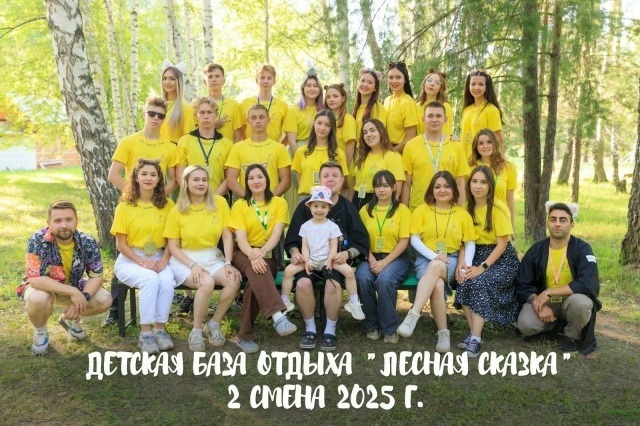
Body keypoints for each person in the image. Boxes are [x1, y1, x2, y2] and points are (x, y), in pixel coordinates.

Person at [104, 96, 179, 326]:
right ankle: (115, 310)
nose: (156, 118)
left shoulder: (170, 147)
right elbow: (113, 174)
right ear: (144, 113)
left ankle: (158, 321)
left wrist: (156, 197)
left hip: (158, 207)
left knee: (160, 269)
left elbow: (174, 179)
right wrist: (135, 194)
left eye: (160, 115)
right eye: (151, 113)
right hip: (132, 206)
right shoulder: (128, 141)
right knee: (128, 249)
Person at [285, 161, 369, 351]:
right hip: (309, 261)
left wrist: (347, 253)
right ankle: (310, 329)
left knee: (333, 285)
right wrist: (295, 252)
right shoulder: (305, 207)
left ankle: (330, 330)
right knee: (302, 283)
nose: (330, 179)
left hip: (333, 262)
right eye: (326, 176)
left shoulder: (348, 208)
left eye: (335, 176)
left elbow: (361, 240)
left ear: (342, 180)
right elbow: (291, 240)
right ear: (319, 179)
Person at [164, 165, 242, 352]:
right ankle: (196, 331)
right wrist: (193, 265)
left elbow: (227, 236)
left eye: (204, 180)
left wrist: (228, 263)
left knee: (233, 281)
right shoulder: (177, 210)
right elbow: (173, 247)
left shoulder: (219, 202)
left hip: (212, 256)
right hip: (185, 259)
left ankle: (213, 324)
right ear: (186, 183)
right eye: (196, 180)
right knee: (206, 283)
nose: (201, 183)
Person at [18, 200, 112, 355]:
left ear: (76, 220)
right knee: (39, 299)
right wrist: (73, 292)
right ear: (49, 223)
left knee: (105, 300)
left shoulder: (87, 241)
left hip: (73, 286)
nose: (64, 225)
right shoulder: (37, 240)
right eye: (57, 221)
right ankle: (41, 332)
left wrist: (83, 297)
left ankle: (69, 318)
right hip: (43, 289)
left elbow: (96, 276)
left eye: (69, 219)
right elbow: (34, 279)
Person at [397, 171, 475, 352]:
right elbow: (414, 239)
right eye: (437, 186)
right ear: (431, 190)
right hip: (425, 259)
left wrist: (466, 265)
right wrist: (434, 256)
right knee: (437, 284)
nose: (442, 190)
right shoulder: (421, 210)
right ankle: (443, 333)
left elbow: (469, 242)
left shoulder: (462, 214)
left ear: (454, 190)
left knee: (437, 266)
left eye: (447, 186)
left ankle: (413, 315)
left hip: (452, 259)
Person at [514, 202, 601, 355]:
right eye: (553, 219)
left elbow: (587, 282)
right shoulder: (536, 250)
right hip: (544, 301)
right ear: (547, 223)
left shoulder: (582, 248)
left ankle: (571, 336)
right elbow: (522, 283)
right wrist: (539, 304)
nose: (557, 224)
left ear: (571, 224)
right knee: (525, 325)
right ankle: (554, 326)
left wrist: (549, 292)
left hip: (571, 300)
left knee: (581, 304)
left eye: (563, 220)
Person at [228, 164, 297, 353]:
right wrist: (253, 255)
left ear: (267, 179)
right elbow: (241, 238)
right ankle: (278, 316)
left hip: (268, 254)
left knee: (256, 280)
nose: (256, 181)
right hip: (242, 252)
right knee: (258, 269)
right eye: (251, 178)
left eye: (260, 177)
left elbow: (277, 233)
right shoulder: (240, 205)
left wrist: (263, 251)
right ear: (246, 182)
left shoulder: (279, 203)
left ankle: (244, 337)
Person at [111, 159, 176, 354]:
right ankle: (145, 334)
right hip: (131, 258)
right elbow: (121, 244)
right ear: (136, 178)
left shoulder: (168, 205)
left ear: (159, 179)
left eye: (153, 174)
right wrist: (142, 262)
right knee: (150, 279)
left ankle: (160, 330)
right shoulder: (125, 206)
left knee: (167, 281)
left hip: (160, 256)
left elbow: (173, 239)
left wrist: (164, 260)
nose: (148, 178)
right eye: (144, 174)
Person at [454, 166, 519, 357]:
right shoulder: (465, 208)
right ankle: (474, 333)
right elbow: (463, 241)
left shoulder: (498, 208)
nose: (478, 186)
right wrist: (462, 263)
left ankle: (475, 339)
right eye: (474, 181)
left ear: (490, 185)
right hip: (474, 253)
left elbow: (502, 244)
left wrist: (482, 267)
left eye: (483, 182)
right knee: (463, 280)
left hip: (500, 258)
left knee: (479, 282)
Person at [281, 185, 364, 321]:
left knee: (349, 272)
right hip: (311, 260)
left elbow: (333, 246)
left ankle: (354, 302)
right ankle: (284, 301)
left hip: (327, 260)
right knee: (288, 271)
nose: (319, 210)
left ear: (329, 208)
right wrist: (306, 262)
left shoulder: (332, 227)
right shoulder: (305, 226)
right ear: (310, 207)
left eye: (323, 207)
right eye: (316, 206)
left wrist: (330, 262)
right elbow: (304, 246)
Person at [356, 170, 412, 344]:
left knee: (385, 280)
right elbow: (360, 239)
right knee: (363, 277)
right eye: (378, 186)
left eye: (386, 186)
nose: (381, 190)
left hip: (397, 258)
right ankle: (371, 325)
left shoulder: (402, 210)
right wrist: (372, 259)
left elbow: (404, 241)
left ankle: (389, 328)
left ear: (394, 187)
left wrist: (384, 262)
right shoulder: (365, 210)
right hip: (370, 256)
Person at [402, 101, 469, 212]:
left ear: (445, 120)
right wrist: (404, 212)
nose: (434, 120)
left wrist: (460, 212)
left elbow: (460, 183)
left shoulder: (456, 145)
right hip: (418, 210)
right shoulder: (411, 146)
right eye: (430, 116)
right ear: (423, 119)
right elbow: (407, 184)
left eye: (438, 116)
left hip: (448, 210)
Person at [225, 104, 291, 198]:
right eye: (253, 118)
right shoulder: (237, 147)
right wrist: (247, 199)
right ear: (248, 121)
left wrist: (270, 199)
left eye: (261, 117)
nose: (258, 121)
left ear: (268, 120)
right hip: (246, 203)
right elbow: (231, 180)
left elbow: (286, 181)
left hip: (271, 202)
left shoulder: (279, 148)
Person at [291, 109, 349, 203]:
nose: (322, 128)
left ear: (332, 128)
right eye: (319, 123)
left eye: (327, 125)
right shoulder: (301, 151)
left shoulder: (339, 154)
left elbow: (341, 182)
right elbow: (300, 180)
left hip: (330, 199)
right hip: (306, 199)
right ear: (314, 124)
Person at [469, 129, 517, 233]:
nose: (485, 146)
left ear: (495, 143)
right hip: (476, 221)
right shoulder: (469, 168)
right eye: (481, 143)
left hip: (501, 220)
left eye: (489, 142)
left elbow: (510, 200)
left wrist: (511, 227)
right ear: (476, 146)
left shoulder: (508, 167)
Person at [352, 118, 405, 210]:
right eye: (365, 132)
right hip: (357, 199)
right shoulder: (362, 156)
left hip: (378, 201)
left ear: (381, 132)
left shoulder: (393, 156)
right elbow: (354, 183)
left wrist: (390, 209)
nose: (368, 134)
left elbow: (397, 188)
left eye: (372, 130)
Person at [460, 69, 504, 160]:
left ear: (486, 87)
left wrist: (498, 162)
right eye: (473, 84)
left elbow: (499, 140)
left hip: (483, 162)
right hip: (465, 161)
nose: (476, 88)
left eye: (480, 84)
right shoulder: (466, 110)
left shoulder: (491, 110)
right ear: (468, 86)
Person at [239, 63, 289, 141]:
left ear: (274, 81)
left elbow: (288, 133)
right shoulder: (245, 103)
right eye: (262, 78)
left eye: (269, 78)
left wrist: (280, 146)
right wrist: (247, 144)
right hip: (250, 147)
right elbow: (241, 129)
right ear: (257, 80)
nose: (265, 81)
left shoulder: (283, 106)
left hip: (273, 148)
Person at [383, 61, 418, 152]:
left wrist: (392, 152)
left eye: (398, 77)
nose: (394, 81)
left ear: (405, 80)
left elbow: (411, 137)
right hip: (385, 150)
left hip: (401, 152)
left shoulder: (408, 102)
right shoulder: (387, 100)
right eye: (391, 77)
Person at [203, 63, 243, 142]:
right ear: (204, 82)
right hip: (203, 148)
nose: (214, 79)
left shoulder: (234, 105)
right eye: (210, 76)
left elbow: (237, 133)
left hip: (228, 149)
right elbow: (192, 132)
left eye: (217, 76)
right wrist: (213, 126)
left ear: (224, 81)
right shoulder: (197, 105)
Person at [160, 60, 196, 145]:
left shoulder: (185, 109)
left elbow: (189, 139)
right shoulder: (157, 106)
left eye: (172, 79)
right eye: (164, 78)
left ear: (179, 82)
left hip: (175, 151)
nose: (167, 82)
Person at [324, 83, 357, 168]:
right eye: (328, 97)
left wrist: (344, 171)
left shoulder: (348, 119)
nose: (331, 99)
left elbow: (350, 149)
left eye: (335, 96)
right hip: (326, 166)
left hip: (342, 167)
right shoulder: (324, 119)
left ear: (343, 98)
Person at [416, 68, 454, 137]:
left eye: (437, 83)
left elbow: (447, 133)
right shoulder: (416, 106)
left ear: (441, 88)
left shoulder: (445, 107)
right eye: (429, 80)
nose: (432, 84)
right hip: (419, 142)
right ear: (424, 84)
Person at [352, 68, 387, 143]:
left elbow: (381, 132)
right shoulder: (357, 108)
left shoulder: (377, 106)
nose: (365, 84)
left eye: (369, 82)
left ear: (375, 88)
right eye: (362, 81)